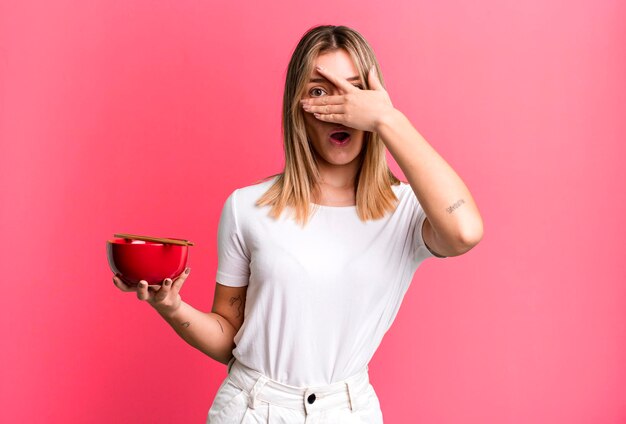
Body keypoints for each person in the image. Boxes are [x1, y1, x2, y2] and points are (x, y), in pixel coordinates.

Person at [113, 24, 483, 423]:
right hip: (252, 408)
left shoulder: (405, 213)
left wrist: (389, 120)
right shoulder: (247, 207)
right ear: (297, 108)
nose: (340, 107)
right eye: (320, 91)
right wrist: (171, 307)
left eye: (354, 91)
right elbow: (228, 339)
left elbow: (464, 231)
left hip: (348, 410)